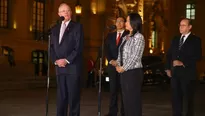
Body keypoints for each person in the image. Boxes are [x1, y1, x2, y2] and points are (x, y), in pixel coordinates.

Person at [50, 3, 83, 116]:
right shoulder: (54, 29)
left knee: (73, 97)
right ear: (59, 14)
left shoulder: (77, 27)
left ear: (71, 13)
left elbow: (78, 47)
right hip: (59, 68)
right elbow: (51, 47)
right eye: (63, 11)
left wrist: (66, 60)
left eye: (68, 10)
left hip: (72, 67)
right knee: (61, 97)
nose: (66, 13)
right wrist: (56, 61)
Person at [165, 18, 202, 116]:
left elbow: (198, 56)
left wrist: (182, 62)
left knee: (187, 100)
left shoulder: (195, 40)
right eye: (180, 25)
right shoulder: (175, 39)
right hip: (175, 74)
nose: (180, 27)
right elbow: (169, 54)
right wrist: (167, 68)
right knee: (175, 99)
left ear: (190, 27)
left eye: (183, 25)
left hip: (188, 75)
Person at [113, 13, 145, 116]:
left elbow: (136, 56)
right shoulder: (126, 37)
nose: (125, 23)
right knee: (126, 101)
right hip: (124, 73)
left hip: (133, 73)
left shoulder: (139, 37)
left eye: (127, 21)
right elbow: (121, 54)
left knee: (133, 101)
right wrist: (117, 64)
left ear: (134, 23)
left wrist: (124, 68)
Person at [105, 16, 129, 116]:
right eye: (117, 21)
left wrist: (119, 61)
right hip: (112, 66)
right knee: (113, 90)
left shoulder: (128, 35)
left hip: (123, 67)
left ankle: (124, 112)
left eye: (121, 21)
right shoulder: (110, 35)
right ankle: (112, 112)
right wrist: (111, 60)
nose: (119, 23)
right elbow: (106, 49)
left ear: (124, 23)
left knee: (124, 91)